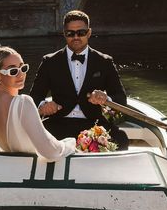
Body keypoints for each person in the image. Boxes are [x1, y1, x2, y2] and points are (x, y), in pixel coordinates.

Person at [30, 10, 129, 150]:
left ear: (88, 33)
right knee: (31, 140)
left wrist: (106, 99)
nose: (76, 37)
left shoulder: (104, 61)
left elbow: (120, 99)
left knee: (122, 140)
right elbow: (34, 97)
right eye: (70, 33)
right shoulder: (49, 62)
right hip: (59, 122)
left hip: (94, 123)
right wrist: (43, 105)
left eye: (81, 32)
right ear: (64, 34)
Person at [0, 46, 76, 162]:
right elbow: (51, 152)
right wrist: (70, 144)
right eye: (13, 71)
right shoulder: (23, 103)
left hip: (12, 171)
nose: (21, 74)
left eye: (23, 68)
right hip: (30, 173)